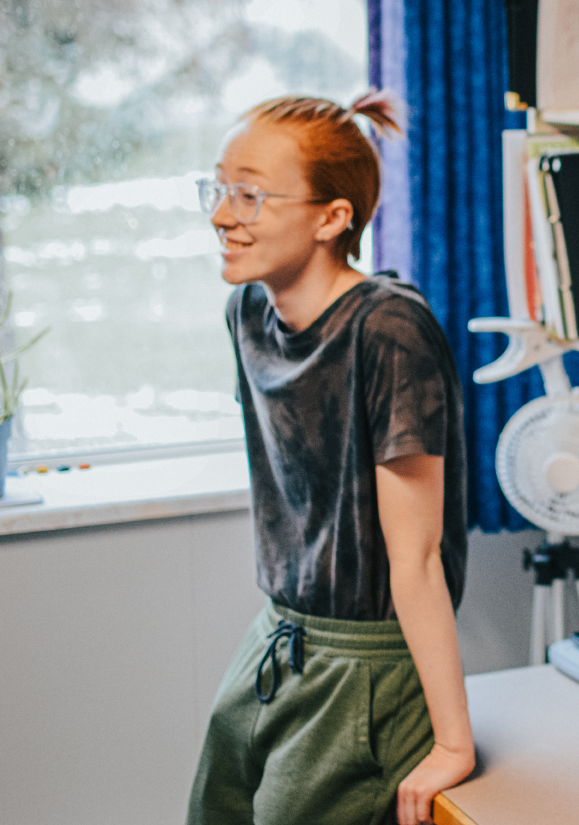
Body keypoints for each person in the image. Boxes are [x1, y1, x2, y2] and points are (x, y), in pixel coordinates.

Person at [187, 92, 474, 825]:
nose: (221, 215)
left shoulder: (389, 330)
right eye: (219, 189)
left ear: (331, 218)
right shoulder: (249, 311)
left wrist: (452, 743)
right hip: (280, 635)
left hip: (369, 660)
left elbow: (417, 558)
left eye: (249, 195)